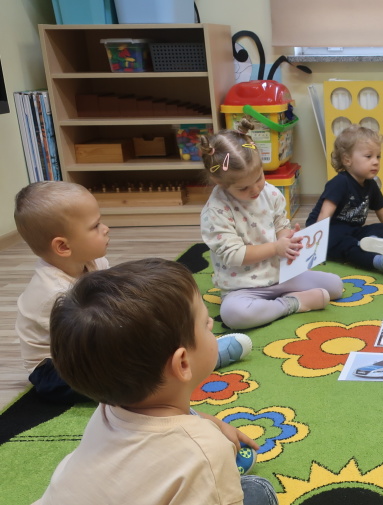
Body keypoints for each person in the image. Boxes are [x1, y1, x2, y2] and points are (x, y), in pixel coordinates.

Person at [36, 258, 277, 504]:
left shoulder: (109, 408)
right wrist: (211, 454)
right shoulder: (206, 450)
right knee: (259, 492)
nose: (212, 324)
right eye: (206, 324)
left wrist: (212, 423)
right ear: (183, 363)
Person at [14, 182, 251, 405]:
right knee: (128, 371)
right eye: (95, 226)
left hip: (91, 341)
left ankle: (190, 353)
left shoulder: (93, 261)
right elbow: (90, 342)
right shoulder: (53, 294)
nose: (105, 228)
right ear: (63, 246)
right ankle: (191, 361)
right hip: (58, 368)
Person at [200, 118, 344, 330]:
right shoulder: (216, 211)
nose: (255, 189)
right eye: (243, 188)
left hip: (282, 275)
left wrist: (287, 238)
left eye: (259, 177)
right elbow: (234, 255)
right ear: (219, 182)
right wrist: (276, 248)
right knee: (233, 315)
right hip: (243, 287)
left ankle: (282, 299)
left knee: (336, 285)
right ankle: (291, 303)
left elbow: (280, 224)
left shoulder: (270, 193)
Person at [306, 124, 383, 276]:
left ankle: (370, 243)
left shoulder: (370, 185)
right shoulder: (339, 182)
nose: (375, 161)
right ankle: (380, 261)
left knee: (381, 228)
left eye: (378, 156)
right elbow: (325, 213)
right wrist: (315, 243)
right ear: (347, 160)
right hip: (327, 232)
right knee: (349, 246)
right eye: (369, 156)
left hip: (351, 231)